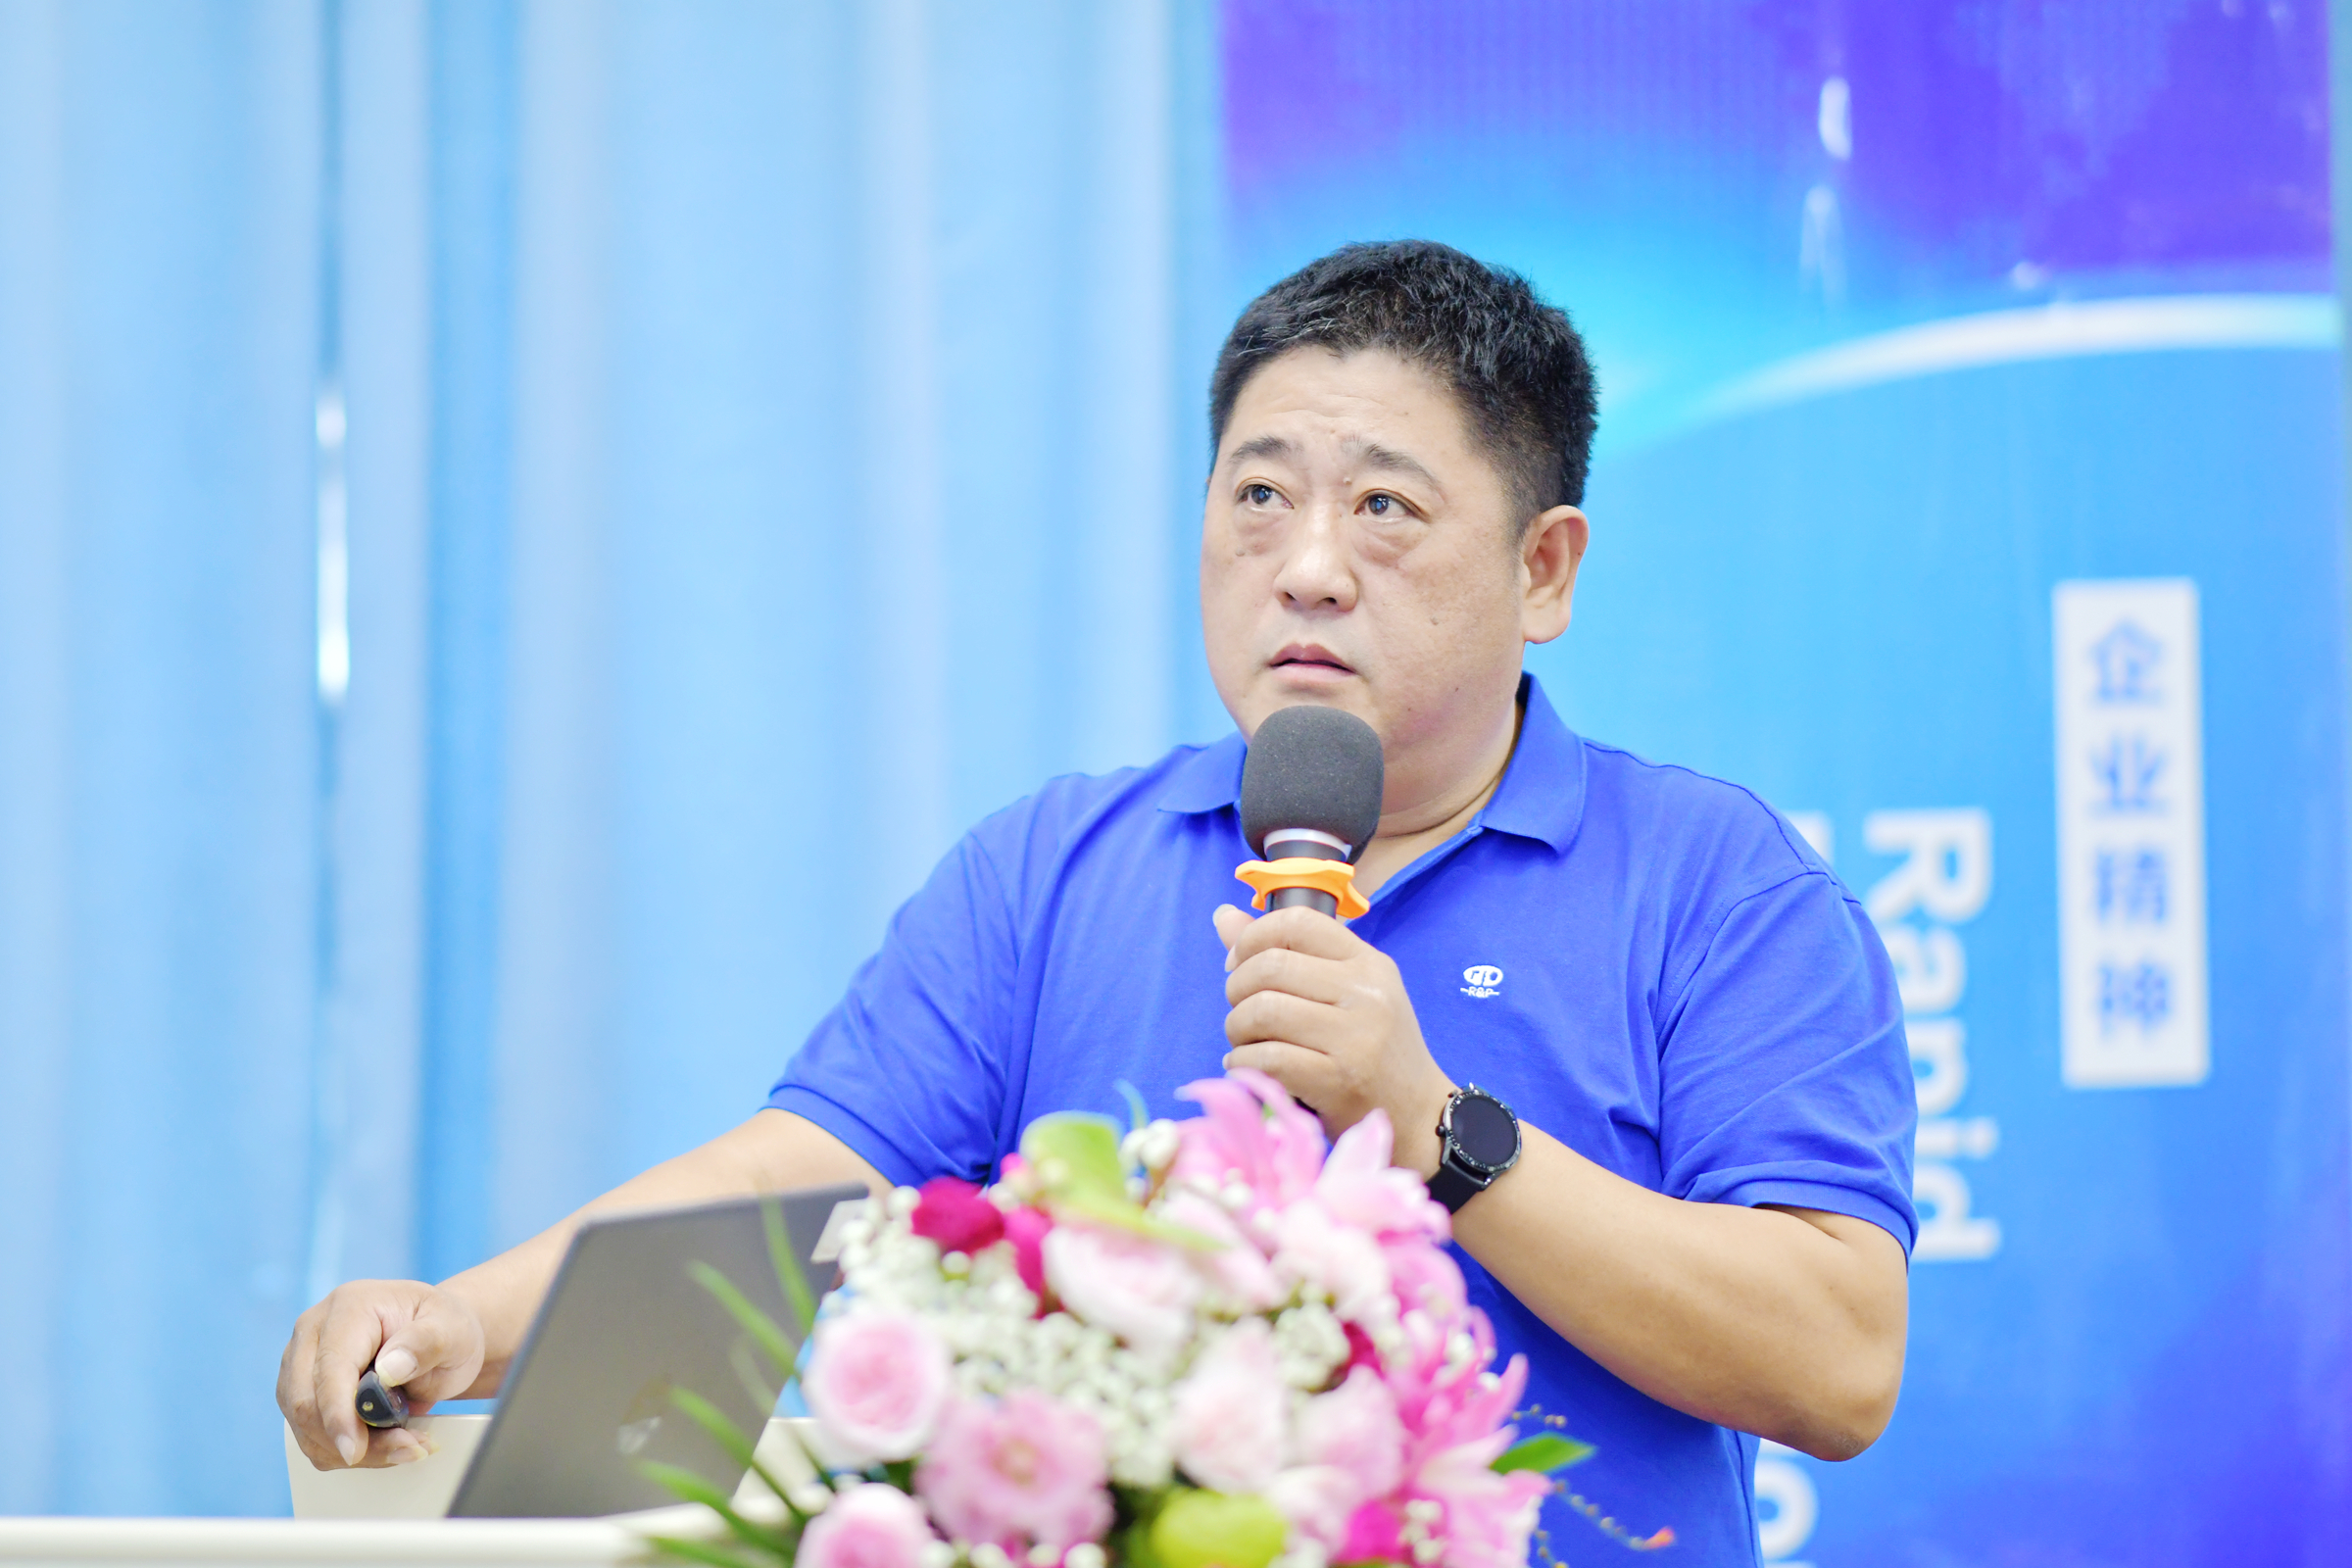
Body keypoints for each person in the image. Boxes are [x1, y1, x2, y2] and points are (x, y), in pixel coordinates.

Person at [279, 241, 1914, 1563]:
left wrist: (1433, 1127)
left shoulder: (1716, 886)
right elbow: (788, 1195)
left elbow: (1838, 1362)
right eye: (1258, 495)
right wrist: (459, 1325)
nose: (1307, 564)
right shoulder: (1052, 871)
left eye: (1384, 508)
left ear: (1543, 569)